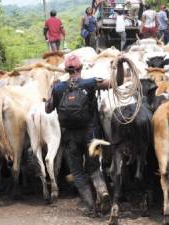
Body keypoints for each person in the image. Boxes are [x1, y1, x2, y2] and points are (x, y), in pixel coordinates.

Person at [45, 55, 126, 217]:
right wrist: (121, 64)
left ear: (67, 71)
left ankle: (91, 207)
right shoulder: (90, 83)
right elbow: (118, 83)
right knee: (94, 168)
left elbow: (48, 108)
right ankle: (103, 192)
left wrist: (51, 87)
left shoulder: (59, 88)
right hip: (91, 136)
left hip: (70, 138)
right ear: (80, 68)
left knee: (77, 173)